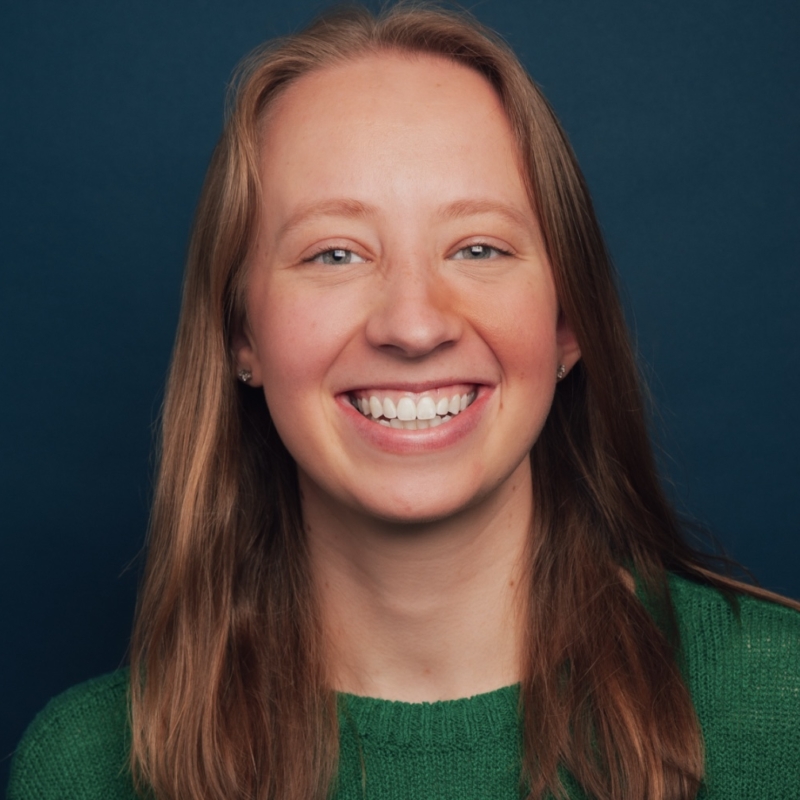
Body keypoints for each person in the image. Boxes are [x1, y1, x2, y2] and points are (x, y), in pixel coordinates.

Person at [8, 4, 800, 800]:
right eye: (335, 253)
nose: (415, 325)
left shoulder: (781, 707)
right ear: (241, 333)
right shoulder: (83, 768)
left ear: (568, 322)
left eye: (479, 247)